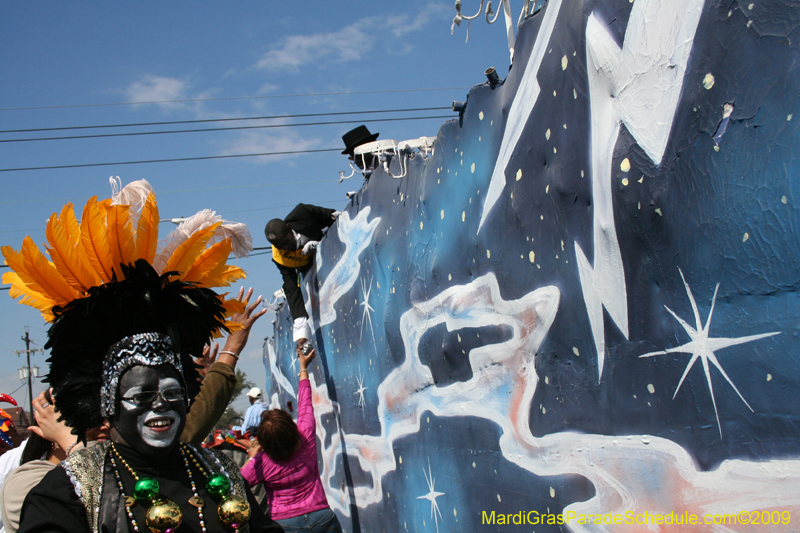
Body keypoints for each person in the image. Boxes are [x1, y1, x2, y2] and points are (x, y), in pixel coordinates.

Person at [2, 180, 283, 533]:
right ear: (109, 403)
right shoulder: (67, 493)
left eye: (171, 393)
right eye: (140, 396)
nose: (160, 406)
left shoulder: (219, 471)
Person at [241, 345, 342, 533]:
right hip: (322, 517)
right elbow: (305, 401)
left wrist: (252, 458)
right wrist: (303, 367)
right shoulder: (307, 436)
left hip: (286, 525)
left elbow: (237, 483)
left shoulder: (261, 463)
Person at [264, 204, 338, 345]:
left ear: (289, 227)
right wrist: (301, 330)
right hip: (318, 277)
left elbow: (336, 220)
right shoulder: (279, 256)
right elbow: (291, 287)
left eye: (286, 241)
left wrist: (322, 245)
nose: (286, 248)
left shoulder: (303, 213)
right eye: (281, 246)